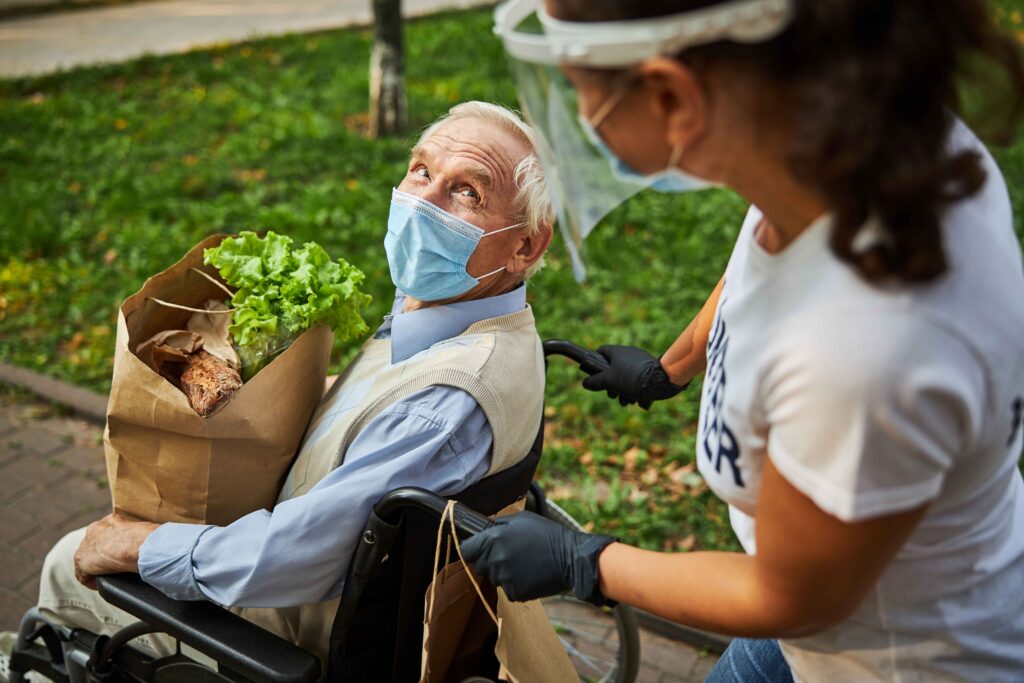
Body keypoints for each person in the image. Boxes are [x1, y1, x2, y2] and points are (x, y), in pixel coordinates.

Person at [464, 1, 1024, 681]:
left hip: (894, 658)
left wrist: (586, 562)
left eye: (581, 88)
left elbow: (789, 596)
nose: (581, 117)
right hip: (842, 618)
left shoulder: (865, 349)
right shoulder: (833, 143)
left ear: (673, 96)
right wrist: (671, 368)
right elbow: (756, 266)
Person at [31, 101, 554, 669]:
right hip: (323, 580)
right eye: (421, 170)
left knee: (66, 563)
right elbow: (383, 411)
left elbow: (286, 557)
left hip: (281, 632)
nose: (423, 201)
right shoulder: (467, 319)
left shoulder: (442, 406)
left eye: (467, 193)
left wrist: (136, 545)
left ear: (526, 245)